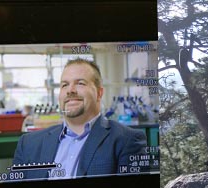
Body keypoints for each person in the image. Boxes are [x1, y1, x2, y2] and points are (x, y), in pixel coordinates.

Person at [12, 58, 147, 179]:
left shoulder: (127, 141)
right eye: (64, 85)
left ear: (99, 93)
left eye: (80, 83)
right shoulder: (29, 144)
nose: (70, 90)